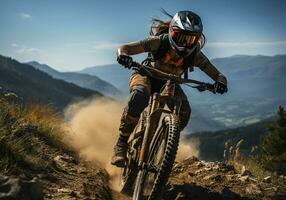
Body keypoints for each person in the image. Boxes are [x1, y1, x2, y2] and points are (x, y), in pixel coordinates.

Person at [111, 10, 228, 167]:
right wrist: (123, 55)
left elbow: (219, 75)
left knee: (184, 111)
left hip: (169, 82)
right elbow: (125, 47)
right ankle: (121, 143)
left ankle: (165, 146)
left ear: (198, 39)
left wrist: (221, 83)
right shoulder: (159, 42)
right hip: (145, 75)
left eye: (191, 38)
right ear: (172, 32)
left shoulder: (195, 55)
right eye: (181, 36)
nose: (186, 43)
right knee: (139, 95)